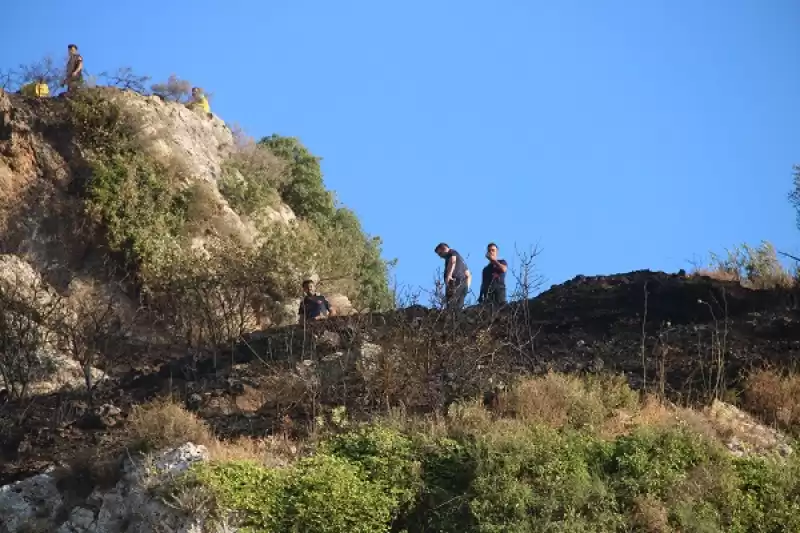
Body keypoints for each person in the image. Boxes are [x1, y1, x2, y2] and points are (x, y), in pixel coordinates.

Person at [434, 242, 471, 310]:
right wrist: (466, 288)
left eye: (440, 253)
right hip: (463, 284)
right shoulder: (460, 259)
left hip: (454, 283)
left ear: (444, 249)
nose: (440, 256)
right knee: (458, 308)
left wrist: (449, 276)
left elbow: (452, 261)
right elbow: (468, 274)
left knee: (451, 306)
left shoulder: (452, 253)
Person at [478, 242, 508, 306]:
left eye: (493, 250)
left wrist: (494, 261)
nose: (491, 252)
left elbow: (504, 269)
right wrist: (480, 295)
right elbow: (483, 283)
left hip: (499, 292)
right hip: (488, 294)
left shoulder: (502, 262)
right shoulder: (485, 269)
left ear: (497, 252)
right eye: (489, 250)